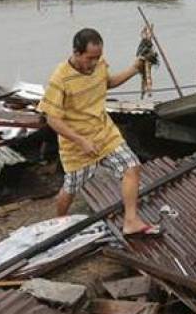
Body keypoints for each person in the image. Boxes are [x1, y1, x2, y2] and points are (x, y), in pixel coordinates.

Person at [37, 27, 161, 236]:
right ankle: (58, 224)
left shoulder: (99, 64)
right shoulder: (60, 78)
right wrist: (80, 141)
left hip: (104, 132)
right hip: (77, 143)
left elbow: (108, 82)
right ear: (76, 53)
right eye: (89, 58)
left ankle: (131, 221)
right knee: (72, 187)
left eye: (98, 58)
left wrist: (134, 68)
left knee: (132, 167)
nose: (94, 63)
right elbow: (52, 119)